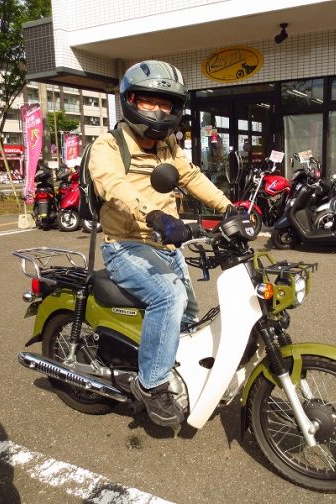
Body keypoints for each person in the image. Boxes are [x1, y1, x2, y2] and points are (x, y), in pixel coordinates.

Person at [87, 60, 232, 427]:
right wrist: (154, 215)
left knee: (189, 316)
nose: (158, 110)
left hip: (166, 245)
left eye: (166, 104)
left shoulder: (168, 145)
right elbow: (112, 186)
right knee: (169, 297)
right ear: (131, 101)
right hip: (125, 244)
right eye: (150, 101)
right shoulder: (108, 145)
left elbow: (191, 176)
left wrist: (230, 207)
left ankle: (180, 372)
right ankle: (151, 384)